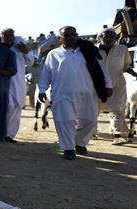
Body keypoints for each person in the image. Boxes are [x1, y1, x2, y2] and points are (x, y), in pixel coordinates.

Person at [39, 26, 112, 160]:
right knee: (66, 121)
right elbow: (46, 73)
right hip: (62, 93)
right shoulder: (54, 54)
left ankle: (79, 142)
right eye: (66, 35)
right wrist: (42, 89)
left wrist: (108, 85)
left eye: (73, 34)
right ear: (61, 38)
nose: (70, 37)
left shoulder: (89, 51)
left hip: (87, 93)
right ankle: (68, 148)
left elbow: (102, 70)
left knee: (90, 121)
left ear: (77, 35)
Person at [97, 29, 137, 145]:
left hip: (117, 84)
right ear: (100, 38)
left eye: (112, 37)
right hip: (96, 85)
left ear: (116, 38)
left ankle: (118, 135)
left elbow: (126, 65)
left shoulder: (122, 49)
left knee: (117, 109)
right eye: (105, 37)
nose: (109, 39)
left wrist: (134, 74)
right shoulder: (93, 50)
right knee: (93, 109)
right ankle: (91, 132)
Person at [1, 28, 35, 143]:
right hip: (4, 81)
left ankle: (9, 135)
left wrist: (25, 51)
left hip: (19, 81)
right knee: (8, 106)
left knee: (17, 106)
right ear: (2, 38)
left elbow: (31, 62)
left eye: (11, 36)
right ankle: (2, 132)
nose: (9, 38)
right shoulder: (0, 48)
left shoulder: (20, 47)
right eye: (6, 36)